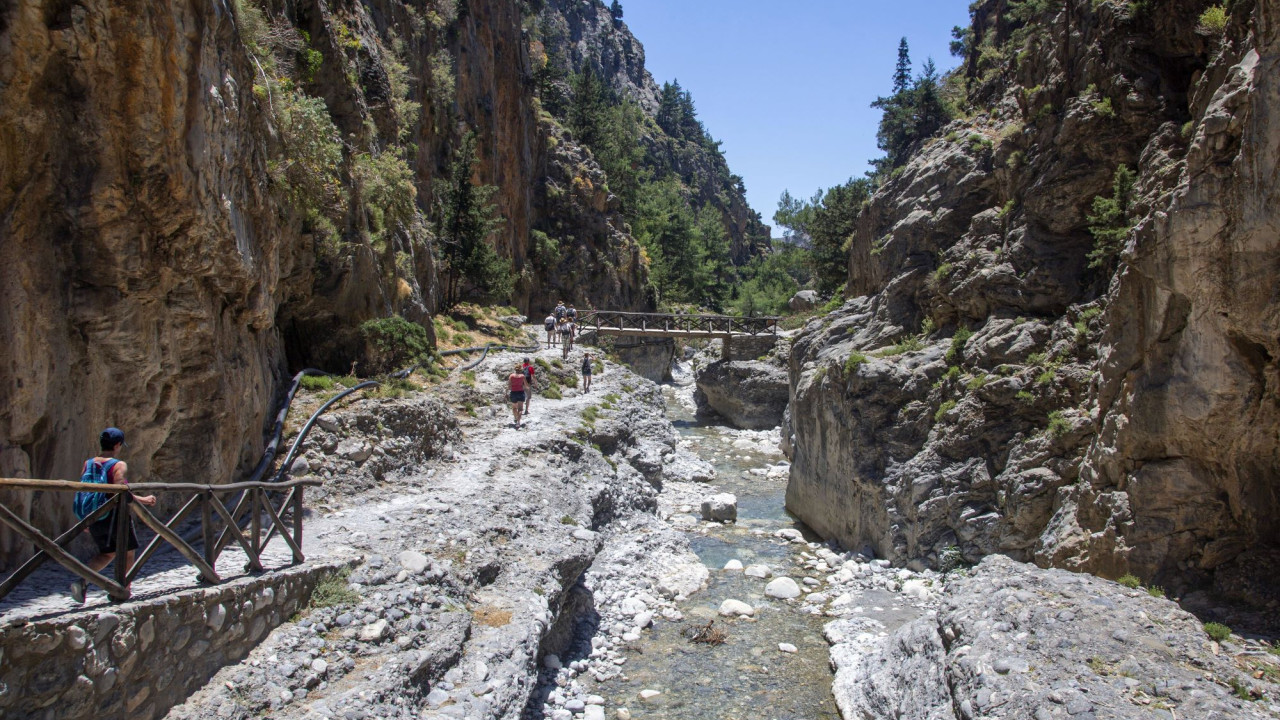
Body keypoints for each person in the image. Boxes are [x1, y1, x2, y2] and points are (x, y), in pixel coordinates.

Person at [71, 427, 157, 603]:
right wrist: (144, 500)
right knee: (128, 553)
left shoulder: (89, 463)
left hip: (94, 515)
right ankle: (122, 589)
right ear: (117, 445)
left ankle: (83, 580)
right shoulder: (118, 465)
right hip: (114, 517)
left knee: (108, 553)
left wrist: (86, 519)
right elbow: (120, 491)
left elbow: (84, 491)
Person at [508, 364, 527, 428]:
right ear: (521, 370)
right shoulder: (522, 376)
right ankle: (518, 422)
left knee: (514, 408)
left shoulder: (511, 376)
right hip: (520, 392)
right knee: (520, 409)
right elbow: (526, 385)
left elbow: (509, 386)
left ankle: (516, 418)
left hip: (513, 393)